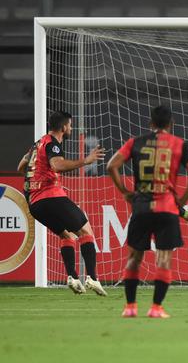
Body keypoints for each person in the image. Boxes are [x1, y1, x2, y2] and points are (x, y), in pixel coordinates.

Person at [106, 105, 188, 318]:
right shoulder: (180, 145)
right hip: (167, 208)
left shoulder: (135, 142)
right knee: (164, 258)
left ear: (151, 124)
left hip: (141, 206)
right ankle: (156, 308)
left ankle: (130, 307)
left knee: (134, 257)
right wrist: (181, 201)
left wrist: (124, 191)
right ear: (171, 124)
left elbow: (111, 166)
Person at [18, 111, 107, 296]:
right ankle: (92, 278)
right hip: (50, 197)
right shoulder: (52, 144)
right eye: (70, 125)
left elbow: (21, 167)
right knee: (86, 231)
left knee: (67, 236)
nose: (71, 129)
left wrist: (36, 180)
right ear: (64, 127)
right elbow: (57, 165)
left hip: (34, 203)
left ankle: (73, 277)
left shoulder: (37, 144)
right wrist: (86, 160)